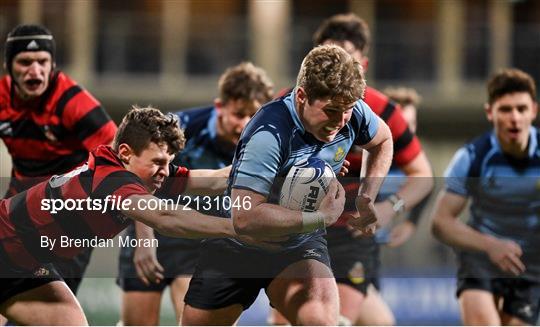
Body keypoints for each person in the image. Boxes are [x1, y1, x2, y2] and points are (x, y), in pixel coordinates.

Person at [0, 106, 320, 325]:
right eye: (158, 162)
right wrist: (238, 228)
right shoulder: (110, 179)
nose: (164, 172)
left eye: (168, 162)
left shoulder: (142, 173)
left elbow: (217, 179)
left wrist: (287, 164)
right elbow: (167, 218)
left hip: (25, 266)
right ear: (125, 152)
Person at [181, 44, 393, 326]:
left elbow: (383, 140)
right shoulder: (268, 134)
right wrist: (319, 217)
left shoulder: (350, 114)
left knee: (320, 320)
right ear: (302, 96)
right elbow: (244, 217)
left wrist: (367, 196)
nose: (340, 122)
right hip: (237, 245)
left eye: (347, 110)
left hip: (298, 244)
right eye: (330, 111)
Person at [269, 13, 434, 326]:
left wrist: (389, 207)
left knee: (335, 320)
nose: (335, 73)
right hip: (296, 230)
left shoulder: (382, 111)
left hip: (351, 233)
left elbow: (423, 176)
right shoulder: (284, 107)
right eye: (326, 62)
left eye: (345, 63)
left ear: (364, 67)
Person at [116, 62, 274, 325]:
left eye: (253, 116)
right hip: (149, 225)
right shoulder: (179, 128)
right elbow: (134, 176)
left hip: (196, 238)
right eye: (238, 114)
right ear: (219, 106)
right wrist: (144, 242)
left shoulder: (262, 142)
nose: (244, 124)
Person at [0, 24, 117, 295]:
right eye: (25, 62)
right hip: (18, 211)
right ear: (9, 66)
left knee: (48, 309)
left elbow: (124, 163)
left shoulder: (74, 103)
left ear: (53, 65)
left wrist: (142, 240)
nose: (35, 70)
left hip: (71, 220)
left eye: (42, 61)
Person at [432, 68, 540, 325]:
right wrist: (491, 245)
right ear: (490, 112)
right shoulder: (472, 157)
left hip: (531, 260)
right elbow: (441, 223)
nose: (514, 118)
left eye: (521, 109)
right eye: (505, 110)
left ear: (534, 111)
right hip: (480, 255)